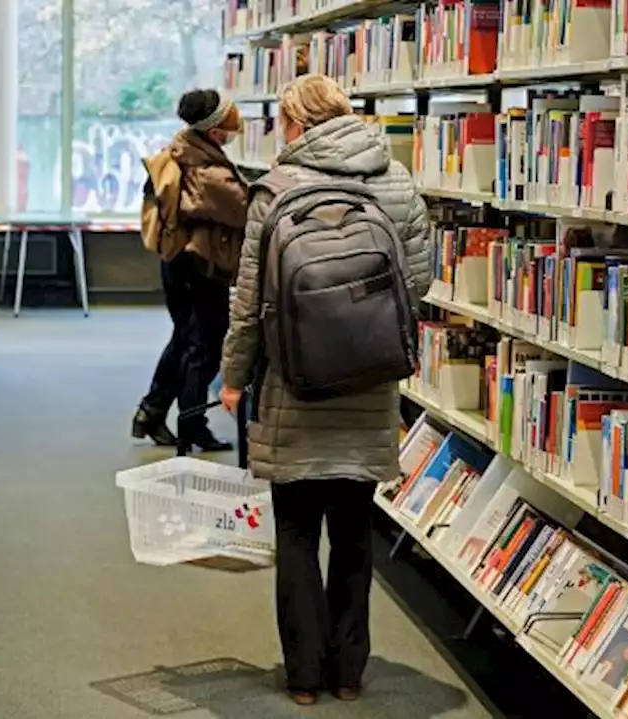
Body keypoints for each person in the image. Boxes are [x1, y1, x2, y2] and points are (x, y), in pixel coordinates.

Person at [217, 74, 431, 705]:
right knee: (356, 535)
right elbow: (416, 283)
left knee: (298, 534)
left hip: (293, 387)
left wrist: (234, 378)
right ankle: (348, 674)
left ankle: (304, 675)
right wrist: (360, 332)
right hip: (369, 387)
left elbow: (249, 300)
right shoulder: (395, 181)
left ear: (296, 124)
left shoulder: (276, 188)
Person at [132, 88, 249, 451]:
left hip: (179, 261)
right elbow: (245, 207)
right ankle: (192, 423)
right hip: (200, 265)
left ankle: (151, 411)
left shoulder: (183, 152)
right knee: (205, 345)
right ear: (214, 131)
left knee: (185, 337)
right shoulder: (207, 171)